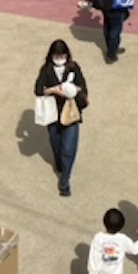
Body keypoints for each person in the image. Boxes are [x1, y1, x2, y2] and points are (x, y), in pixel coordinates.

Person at [34, 39, 88, 197]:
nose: (59, 58)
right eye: (57, 55)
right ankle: (60, 164)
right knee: (55, 143)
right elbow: (38, 89)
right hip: (52, 114)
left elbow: (83, 86)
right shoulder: (47, 69)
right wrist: (54, 90)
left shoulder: (73, 67)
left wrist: (72, 90)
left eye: (62, 55)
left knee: (68, 149)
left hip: (71, 113)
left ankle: (65, 181)